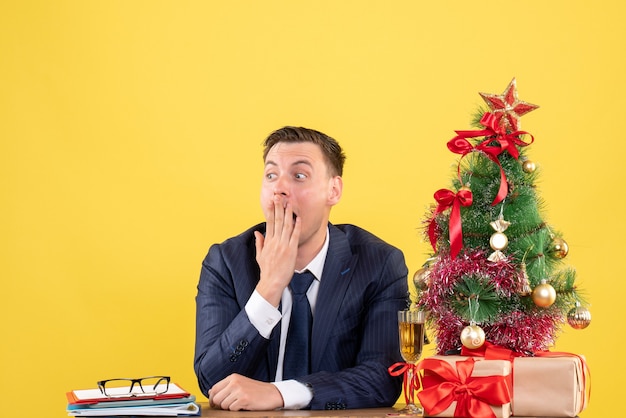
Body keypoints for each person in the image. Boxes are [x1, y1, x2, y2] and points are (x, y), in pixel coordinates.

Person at [194, 126, 408, 411]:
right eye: (271, 175)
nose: (279, 187)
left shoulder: (379, 263)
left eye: (299, 176)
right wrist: (268, 288)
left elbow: (383, 378)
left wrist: (280, 394)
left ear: (333, 190)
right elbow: (212, 381)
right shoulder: (226, 262)